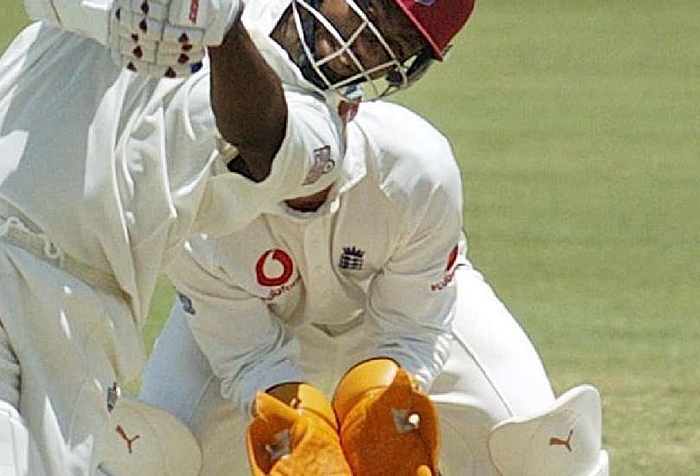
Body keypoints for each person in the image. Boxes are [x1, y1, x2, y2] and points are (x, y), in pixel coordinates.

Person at [0, 0, 477, 475]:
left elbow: (261, 134)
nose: (359, 40)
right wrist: (129, 6)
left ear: (404, 73)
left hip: (90, 308)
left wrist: (221, 27)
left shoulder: (323, 136)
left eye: (390, 42)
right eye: (363, 5)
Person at [137, 100, 610, 476]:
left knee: (541, 447)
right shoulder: (190, 194)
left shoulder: (414, 162)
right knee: (155, 453)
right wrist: (295, 434)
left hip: (399, 313)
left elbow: (414, 326)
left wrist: (384, 412)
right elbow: (246, 356)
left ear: (348, 106)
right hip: (258, 324)